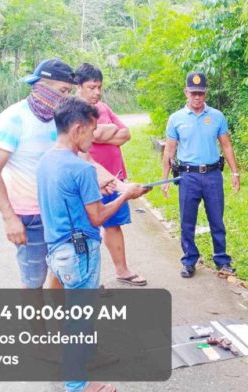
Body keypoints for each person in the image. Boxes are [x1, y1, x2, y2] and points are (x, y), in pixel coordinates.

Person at [37, 97, 148, 392]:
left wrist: (95, 189)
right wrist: (125, 195)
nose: (94, 136)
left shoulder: (47, 160)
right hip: (79, 253)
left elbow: (65, 197)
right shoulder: (82, 169)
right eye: (91, 130)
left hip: (56, 251)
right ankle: (77, 384)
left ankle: (78, 362)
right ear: (76, 129)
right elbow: (97, 217)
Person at [0, 58, 79, 290]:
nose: (66, 97)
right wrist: (9, 218)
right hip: (30, 216)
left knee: (62, 270)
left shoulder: (62, 120)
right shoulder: (13, 119)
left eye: (69, 92)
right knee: (33, 280)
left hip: (62, 213)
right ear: (41, 86)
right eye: (62, 91)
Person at [161, 71, 240, 278]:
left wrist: (235, 172)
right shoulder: (176, 119)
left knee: (216, 219)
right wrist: (165, 179)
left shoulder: (217, 116)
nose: (197, 97)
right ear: (186, 92)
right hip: (188, 176)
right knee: (187, 220)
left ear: (206, 93)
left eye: (201, 93)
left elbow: (226, 145)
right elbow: (169, 151)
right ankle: (189, 260)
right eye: (193, 93)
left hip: (212, 175)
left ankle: (222, 259)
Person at [74, 63, 146, 286]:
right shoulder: (71, 111)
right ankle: (85, 278)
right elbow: (85, 138)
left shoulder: (103, 108)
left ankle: (122, 270)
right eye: (91, 87)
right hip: (88, 179)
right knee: (84, 229)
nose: (96, 92)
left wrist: (99, 134)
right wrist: (103, 132)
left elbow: (125, 134)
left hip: (115, 177)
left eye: (99, 87)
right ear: (79, 86)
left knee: (113, 223)